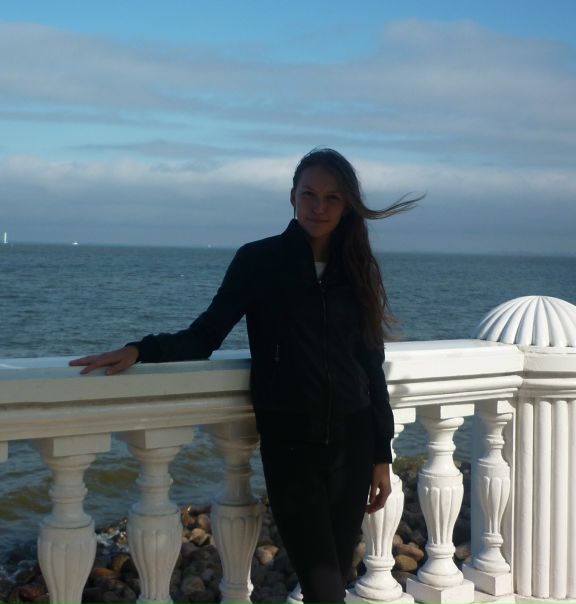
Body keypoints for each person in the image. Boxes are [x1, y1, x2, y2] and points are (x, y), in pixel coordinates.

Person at [70, 148, 418, 604]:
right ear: (292, 197)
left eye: (332, 198)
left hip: (351, 445)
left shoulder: (356, 268)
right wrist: (140, 349)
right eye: (309, 194)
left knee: (334, 570)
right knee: (323, 583)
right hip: (291, 445)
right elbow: (205, 335)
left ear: (347, 204)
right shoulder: (259, 261)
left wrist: (379, 455)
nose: (319, 207)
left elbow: (371, 364)